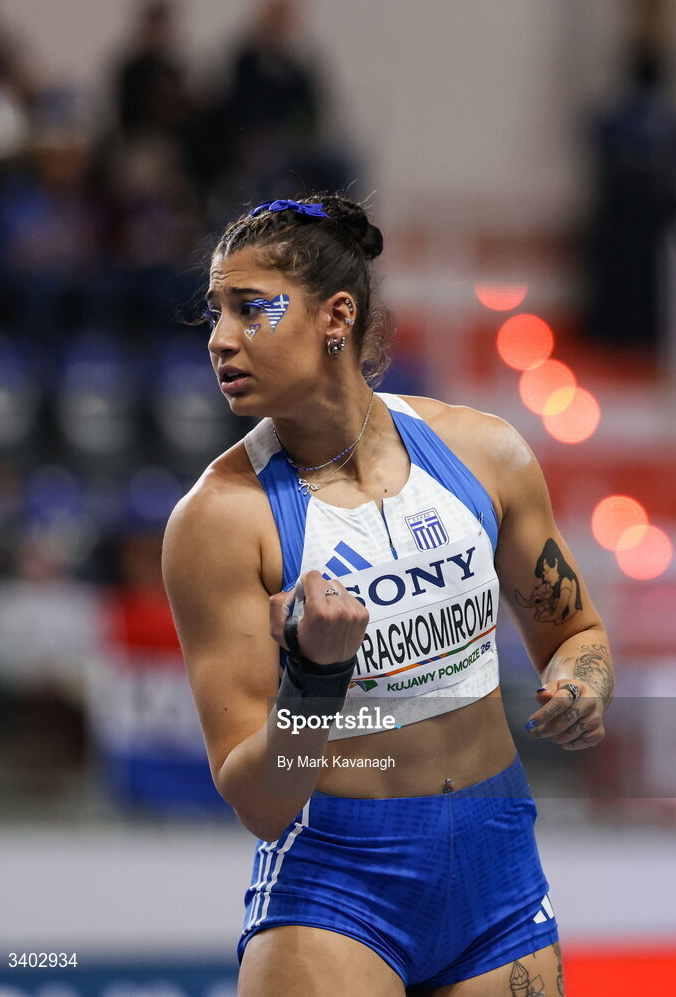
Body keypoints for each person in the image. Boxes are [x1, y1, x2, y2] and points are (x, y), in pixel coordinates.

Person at [162, 195, 614, 996]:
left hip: (498, 869)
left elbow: (575, 629)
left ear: (337, 316)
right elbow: (261, 803)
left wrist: (582, 682)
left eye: (251, 308)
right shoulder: (219, 521)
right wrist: (313, 681)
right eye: (214, 313)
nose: (221, 339)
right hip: (339, 888)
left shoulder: (485, 453)